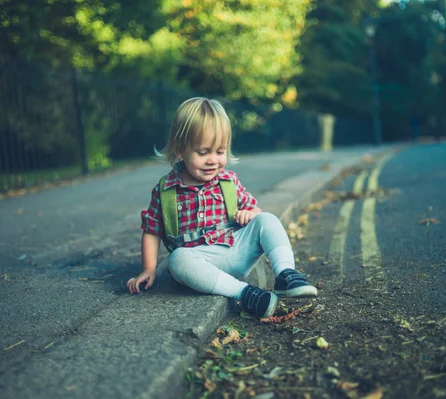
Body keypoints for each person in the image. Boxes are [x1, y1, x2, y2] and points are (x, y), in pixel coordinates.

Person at [126, 97, 317, 318]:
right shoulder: (166, 190)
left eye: (220, 151)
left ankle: (286, 273)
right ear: (180, 150)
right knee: (177, 259)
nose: (212, 160)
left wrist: (250, 214)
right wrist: (149, 269)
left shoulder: (228, 181)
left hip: (237, 250)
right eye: (203, 152)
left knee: (267, 219)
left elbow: (254, 212)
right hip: (200, 261)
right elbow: (152, 231)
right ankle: (245, 293)